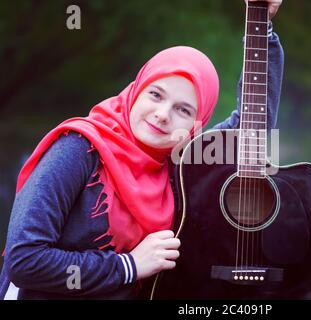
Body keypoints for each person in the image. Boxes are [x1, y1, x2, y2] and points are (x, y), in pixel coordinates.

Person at [0, 0, 284, 299]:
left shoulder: (184, 165)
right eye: (155, 94)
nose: (163, 114)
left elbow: (251, 129)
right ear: (137, 89)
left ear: (194, 126)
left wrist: (261, 26)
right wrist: (129, 265)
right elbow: (25, 259)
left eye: (183, 110)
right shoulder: (78, 148)